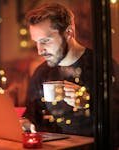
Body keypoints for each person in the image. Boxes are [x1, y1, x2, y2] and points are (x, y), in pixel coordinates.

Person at [23, 3, 94, 136]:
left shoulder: (100, 67)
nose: (40, 51)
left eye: (45, 40)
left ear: (68, 32)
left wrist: (89, 103)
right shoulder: (41, 73)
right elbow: (32, 116)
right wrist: (24, 123)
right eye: (36, 42)